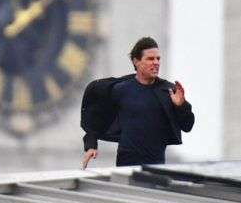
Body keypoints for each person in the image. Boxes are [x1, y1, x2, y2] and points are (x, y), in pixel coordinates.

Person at [80, 36, 194, 168]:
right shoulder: (120, 89)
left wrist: (181, 106)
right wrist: (91, 146)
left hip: (156, 167)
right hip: (125, 165)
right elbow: (96, 119)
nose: (156, 62)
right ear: (136, 61)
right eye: (150, 59)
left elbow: (188, 125)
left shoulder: (168, 91)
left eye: (158, 58)